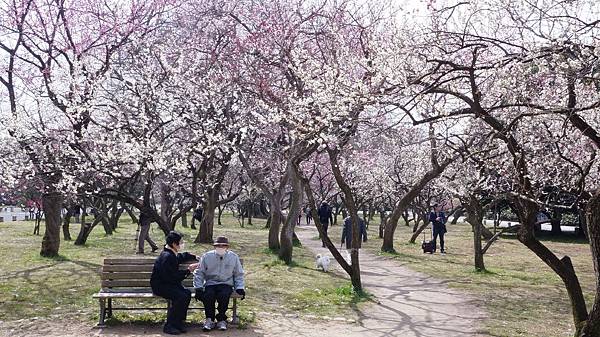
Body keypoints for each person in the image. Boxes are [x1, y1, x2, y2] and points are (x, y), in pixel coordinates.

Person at [151, 231, 198, 335]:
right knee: (180, 296)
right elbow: (171, 277)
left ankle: (178, 322)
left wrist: (190, 255)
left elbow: (178, 258)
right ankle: (169, 325)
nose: (182, 244)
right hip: (161, 286)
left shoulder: (170, 253)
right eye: (180, 242)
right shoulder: (167, 257)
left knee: (186, 294)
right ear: (174, 244)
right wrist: (188, 271)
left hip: (167, 284)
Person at [193, 236, 245, 332]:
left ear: (227, 247)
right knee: (208, 295)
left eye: (223, 245)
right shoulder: (206, 256)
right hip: (210, 283)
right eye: (218, 245)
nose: (220, 247)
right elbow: (199, 272)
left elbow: (238, 274)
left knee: (224, 295)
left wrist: (240, 287)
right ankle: (209, 319)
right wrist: (198, 288)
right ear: (214, 246)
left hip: (226, 283)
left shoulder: (233, 257)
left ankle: (221, 319)